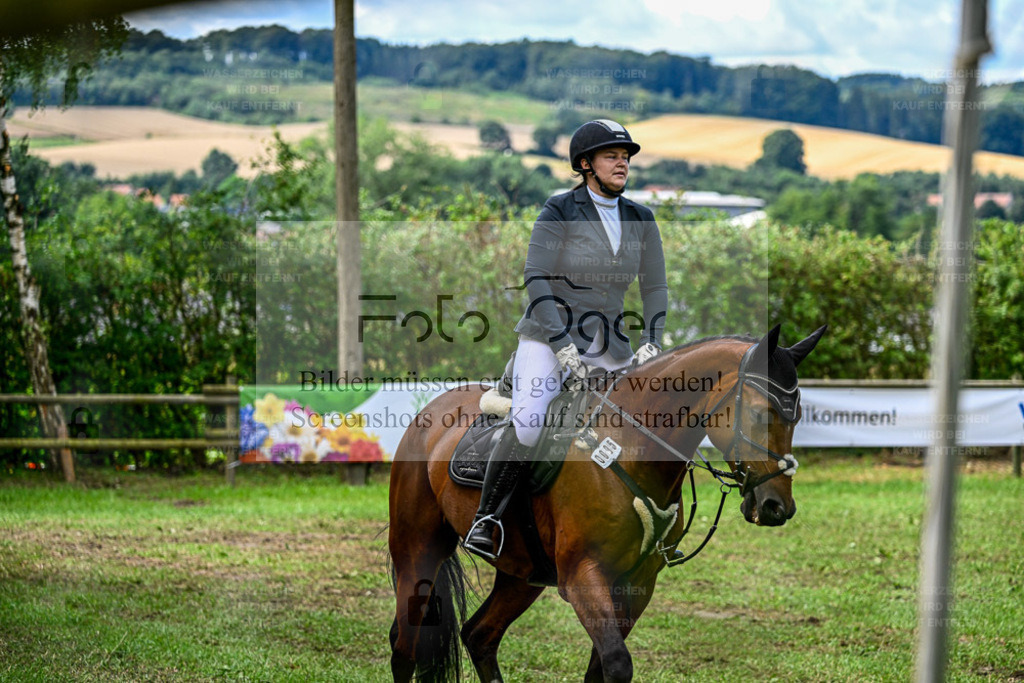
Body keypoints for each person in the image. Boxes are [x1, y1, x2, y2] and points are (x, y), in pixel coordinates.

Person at [463, 119, 669, 560]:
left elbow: (654, 287)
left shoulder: (641, 218)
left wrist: (653, 339)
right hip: (547, 334)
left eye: (626, 156)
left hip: (610, 341)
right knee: (531, 419)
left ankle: (649, 517)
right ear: (585, 164)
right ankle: (488, 518)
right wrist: (560, 345)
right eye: (612, 155)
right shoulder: (559, 210)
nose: (623, 163)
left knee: (644, 418)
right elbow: (535, 278)